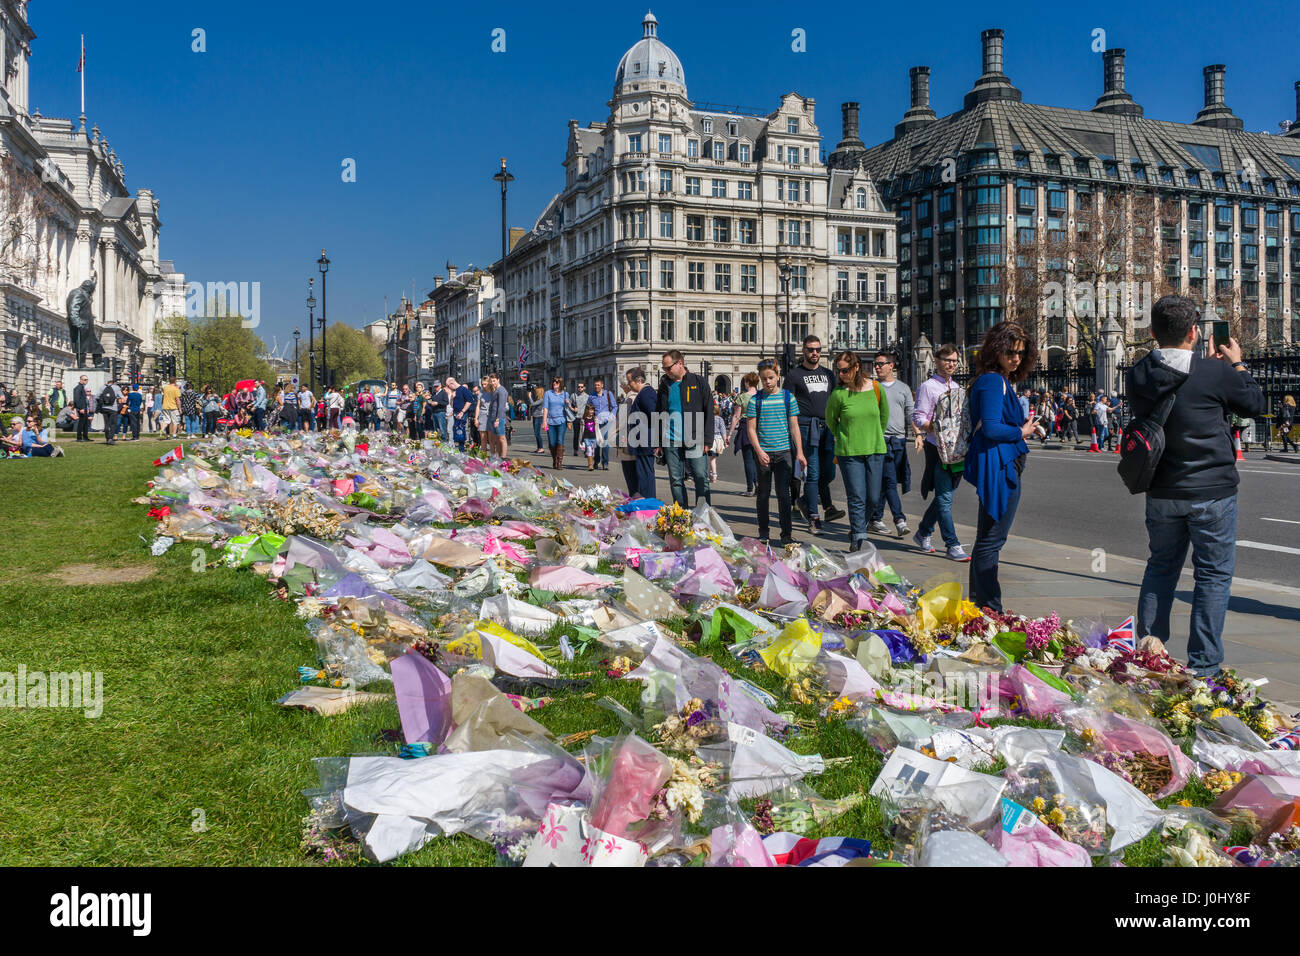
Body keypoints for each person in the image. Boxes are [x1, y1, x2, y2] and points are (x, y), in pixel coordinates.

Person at [1129, 295, 1266, 677]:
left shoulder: (1139, 373)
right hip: (1212, 491)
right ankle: (1204, 664)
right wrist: (1235, 363)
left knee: (1160, 568)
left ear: (1153, 332)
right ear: (1194, 331)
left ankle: (1149, 653)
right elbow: (1253, 403)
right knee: (1212, 576)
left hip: (1162, 490)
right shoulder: (1214, 372)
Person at [965, 322, 1039, 612]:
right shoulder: (994, 381)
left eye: (1020, 353)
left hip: (999, 461)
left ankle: (981, 604)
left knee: (988, 537)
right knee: (993, 539)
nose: (1015, 358)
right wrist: (1021, 432)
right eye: (1009, 352)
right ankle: (990, 606)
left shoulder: (998, 380)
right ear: (996, 350)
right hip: (999, 464)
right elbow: (993, 427)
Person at [912, 343, 970, 561]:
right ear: (936, 361)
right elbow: (918, 417)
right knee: (945, 499)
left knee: (945, 498)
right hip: (937, 448)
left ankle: (923, 532)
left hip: (957, 448)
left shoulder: (957, 387)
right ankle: (952, 544)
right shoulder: (929, 387)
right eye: (947, 360)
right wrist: (936, 427)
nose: (951, 364)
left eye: (954, 360)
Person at [826, 351, 889, 553]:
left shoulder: (876, 388)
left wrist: (874, 434)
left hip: (875, 449)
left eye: (845, 370)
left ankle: (858, 528)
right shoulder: (838, 394)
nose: (841, 374)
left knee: (873, 497)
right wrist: (844, 435)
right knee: (857, 497)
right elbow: (830, 420)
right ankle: (858, 538)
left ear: (856, 367)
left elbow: (883, 416)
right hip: (849, 451)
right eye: (839, 370)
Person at [784, 334, 845, 533]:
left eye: (818, 349)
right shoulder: (794, 375)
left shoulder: (829, 374)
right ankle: (814, 517)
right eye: (811, 349)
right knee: (813, 473)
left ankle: (803, 500)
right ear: (803, 350)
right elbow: (787, 404)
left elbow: (836, 400)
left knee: (829, 472)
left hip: (828, 428)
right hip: (805, 427)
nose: (815, 353)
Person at [745, 359, 806, 547]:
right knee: (763, 494)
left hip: (784, 452)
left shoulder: (788, 398)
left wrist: (800, 453)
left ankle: (786, 534)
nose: (768, 382)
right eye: (764, 379)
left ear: (778, 376)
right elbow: (751, 429)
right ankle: (763, 533)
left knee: (783, 495)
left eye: (771, 378)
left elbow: (794, 427)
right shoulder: (755, 400)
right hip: (764, 453)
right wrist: (759, 450)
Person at [656, 349, 713, 509]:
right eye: (664, 368)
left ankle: (704, 513)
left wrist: (708, 440)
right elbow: (658, 412)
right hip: (670, 439)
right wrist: (658, 441)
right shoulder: (664, 385)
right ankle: (681, 514)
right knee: (675, 479)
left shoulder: (698, 381)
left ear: (679, 363)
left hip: (695, 437)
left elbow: (709, 411)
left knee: (701, 477)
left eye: (668, 368)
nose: (665, 371)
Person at [869, 350, 913, 538]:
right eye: (875, 364)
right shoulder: (871, 388)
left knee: (885, 483)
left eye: (880, 364)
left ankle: (875, 518)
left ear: (891, 366)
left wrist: (918, 433)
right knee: (890, 481)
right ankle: (899, 519)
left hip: (900, 441)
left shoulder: (903, 388)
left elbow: (910, 413)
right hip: (881, 440)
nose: (877, 367)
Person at [621, 367, 658, 499]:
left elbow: (655, 416)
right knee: (643, 475)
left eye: (630, 381)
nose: (629, 385)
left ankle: (648, 504)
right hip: (642, 442)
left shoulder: (646, 393)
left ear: (638, 380)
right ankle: (645, 503)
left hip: (645, 441)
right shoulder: (644, 393)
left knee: (645, 476)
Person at [727, 372, 760, 497]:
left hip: (746, 427)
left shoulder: (742, 397)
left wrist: (729, 434)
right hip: (759, 428)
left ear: (747, 382)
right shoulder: (761, 396)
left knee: (748, 460)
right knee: (757, 459)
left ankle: (750, 487)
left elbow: (736, 416)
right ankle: (758, 483)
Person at [541, 377, 572, 468]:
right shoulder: (548, 393)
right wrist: (544, 421)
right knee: (552, 443)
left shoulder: (565, 394)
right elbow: (545, 408)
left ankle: (559, 462)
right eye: (554, 381)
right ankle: (554, 459)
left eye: (557, 382)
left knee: (559, 440)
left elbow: (569, 408)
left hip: (561, 420)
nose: (555, 383)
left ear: (561, 383)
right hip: (550, 421)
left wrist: (568, 403)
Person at [588, 377, 617, 470]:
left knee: (605, 442)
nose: (596, 386)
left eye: (598, 385)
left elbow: (615, 406)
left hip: (606, 422)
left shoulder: (608, 394)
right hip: (595, 423)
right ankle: (596, 461)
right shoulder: (592, 396)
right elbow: (588, 408)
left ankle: (605, 463)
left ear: (602, 385)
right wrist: (590, 416)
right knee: (596, 443)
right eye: (595, 385)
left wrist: (612, 415)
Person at [487, 372, 511, 458]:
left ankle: (503, 457)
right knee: (497, 439)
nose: (492, 383)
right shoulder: (495, 390)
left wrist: (498, 419)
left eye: (494, 381)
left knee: (502, 438)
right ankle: (498, 456)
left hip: (499, 417)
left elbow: (501, 406)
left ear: (498, 380)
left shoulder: (501, 390)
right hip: (493, 417)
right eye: (491, 381)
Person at [707, 399, 727, 483]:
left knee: (712, 459)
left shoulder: (709, 419)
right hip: (718, 439)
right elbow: (723, 431)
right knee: (713, 458)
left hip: (711, 439)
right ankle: (711, 474)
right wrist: (725, 441)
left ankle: (713, 475)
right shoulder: (720, 419)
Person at [98, 378, 122, 445]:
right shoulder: (116, 387)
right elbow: (121, 396)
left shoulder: (102, 387)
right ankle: (111, 438)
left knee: (106, 424)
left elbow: (97, 396)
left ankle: (107, 438)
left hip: (104, 408)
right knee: (113, 424)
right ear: (113, 382)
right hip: (113, 408)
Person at [571, 381, 590, 457]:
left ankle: (585, 451)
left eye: (581, 387)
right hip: (576, 417)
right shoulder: (573, 395)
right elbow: (569, 405)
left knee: (585, 435)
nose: (580, 388)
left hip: (584, 418)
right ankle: (575, 450)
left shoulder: (587, 397)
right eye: (578, 387)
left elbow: (589, 407)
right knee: (576, 435)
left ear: (584, 388)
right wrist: (573, 409)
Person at [72, 374, 92, 442]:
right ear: (81, 380)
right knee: (81, 423)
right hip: (81, 408)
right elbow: (77, 399)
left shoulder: (82, 387)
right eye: (85, 380)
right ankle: (79, 437)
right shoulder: (78, 387)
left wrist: (86, 407)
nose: (86, 381)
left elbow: (84, 399)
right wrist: (80, 408)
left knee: (85, 423)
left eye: (87, 379)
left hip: (84, 408)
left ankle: (85, 437)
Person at [579, 403, 599, 469]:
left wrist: (600, 438)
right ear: (587, 410)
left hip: (594, 437)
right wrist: (581, 439)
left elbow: (597, 429)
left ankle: (591, 463)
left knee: (593, 452)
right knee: (589, 450)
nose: (592, 411)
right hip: (587, 437)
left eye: (593, 410)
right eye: (590, 410)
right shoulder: (583, 420)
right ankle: (590, 465)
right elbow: (582, 430)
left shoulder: (595, 419)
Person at [530, 385, 546, 453]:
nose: (535, 393)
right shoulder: (538, 399)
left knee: (537, 433)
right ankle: (538, 447)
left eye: (536, 392)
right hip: (535, 416)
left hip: (539, 417)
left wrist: (529, 397)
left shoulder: (541, 400)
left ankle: (541, 447)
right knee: (536, 433)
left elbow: (533, 404)